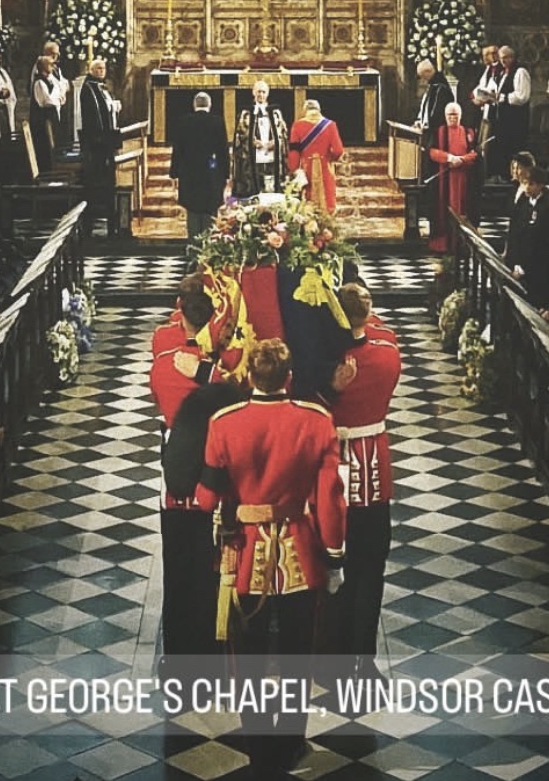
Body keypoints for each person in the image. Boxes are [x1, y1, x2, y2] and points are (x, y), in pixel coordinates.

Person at [196, 339, 346, 770]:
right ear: (290, 378)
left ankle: (259, 745)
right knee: (299, 653)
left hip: (244, 556)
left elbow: (207, 499)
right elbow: (329, 500)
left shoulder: (224, 423)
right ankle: (291, 741)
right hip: (300, 552)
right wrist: (334, 556)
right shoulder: (316, 421)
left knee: (249, 659)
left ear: (248, 378)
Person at [150, 282, 230, 657]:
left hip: (176, 468)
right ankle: (211, 638)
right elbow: (240, 391)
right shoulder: (221, 368)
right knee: (208, 558)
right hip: (213, 468)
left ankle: (179, 643)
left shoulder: (164, 357)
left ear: (179, 309)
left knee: (177, 560)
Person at [328, 284, 401, 674]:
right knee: (370, 567)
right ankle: (364, 653)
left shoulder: (327, 362)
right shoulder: (387, 352)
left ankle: (336, 648)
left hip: (334, 471)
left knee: (334, 565)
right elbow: (382, 335)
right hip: (373, 464)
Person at [170, 92, 230, 240]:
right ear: (210, 105)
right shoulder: (217, 122)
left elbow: (177, 149)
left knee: (193, 211)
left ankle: (193, 248)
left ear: (194, 105)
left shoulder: (184, 121)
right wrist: (226, 174)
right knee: (210, 212)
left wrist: (174, 173)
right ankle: (209, 250)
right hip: (212, 173)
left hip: (189, 174)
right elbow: (223, 151)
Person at [506, 165, 549, 310]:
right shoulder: (523, 203)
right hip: (518, 264)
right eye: (524, 183)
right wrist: (512, 261)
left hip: (536, 269)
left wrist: (523, 268)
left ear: (540, 185)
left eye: (530, 184)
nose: (526, 187)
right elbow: (515, 232)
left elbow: (544, 243)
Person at [427, 103, 478, 253]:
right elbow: (432, 152)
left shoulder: (468, 132)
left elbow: (475, 153)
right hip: (445, 178)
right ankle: (443, 242)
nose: (452, 118)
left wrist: (461, 160)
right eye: (449, 115)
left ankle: (462, 242)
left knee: (462, 209)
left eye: (455, 115)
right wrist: (449, 158)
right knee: (444, 209)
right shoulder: (439, 132)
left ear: (460, 116)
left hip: (463, 178)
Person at [79, 58, 121, 227]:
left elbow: (105, 106)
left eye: (103, 68)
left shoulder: (98, 86)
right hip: (97, 140)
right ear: (91, 70)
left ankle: (105, 206)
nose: (102, 71)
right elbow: (95, 113)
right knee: (98, 173)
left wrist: (113, 105)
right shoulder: (89, 87)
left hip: (104, 138)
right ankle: (99, 208)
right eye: (98, 68)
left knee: (106, 172)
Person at [231, 80, 289, 198]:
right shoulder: (246, 113)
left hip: (272, 158)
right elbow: (239, 135)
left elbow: (283, 134)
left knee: (271, 190)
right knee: (254, 191)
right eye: (258, 92)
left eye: (263, 92)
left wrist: (276, 142)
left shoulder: (276, 113)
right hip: (253, 158)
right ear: (253, 93)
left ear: (267, 93)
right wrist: (250, 141)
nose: (261, 95)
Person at [287, 99, 344, 213]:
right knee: (327, 201)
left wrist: (294, 169)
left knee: (308, 201)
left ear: (305, 110)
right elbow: (338, 150)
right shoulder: (330, 125)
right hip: (325, 168)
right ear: (319, 110)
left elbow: (294, 152)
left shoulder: (297, 125)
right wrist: (329, 159)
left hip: (307, 167)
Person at [489, 45, 531, 176]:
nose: (503, 61)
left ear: (512, 57)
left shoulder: (520, 72)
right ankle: (503, 175)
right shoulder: (502, 73)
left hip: (515, 119)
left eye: (506, 57)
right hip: (503, 120)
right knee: (502, 149)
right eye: (501, 58)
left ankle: (515, 176)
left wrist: (503, 97)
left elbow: (522, 96)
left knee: (514, 149)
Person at [29, 55, 66, 173]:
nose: (53, 66)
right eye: (50, 64)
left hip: (52, 117)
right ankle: (47, 171)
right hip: (42, 120)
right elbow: (47, 101)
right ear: (43, 67)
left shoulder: (50, 79)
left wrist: (59, 98)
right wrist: (58, 100)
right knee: (45, 148)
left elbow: (60, 92)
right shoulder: (39, 82)